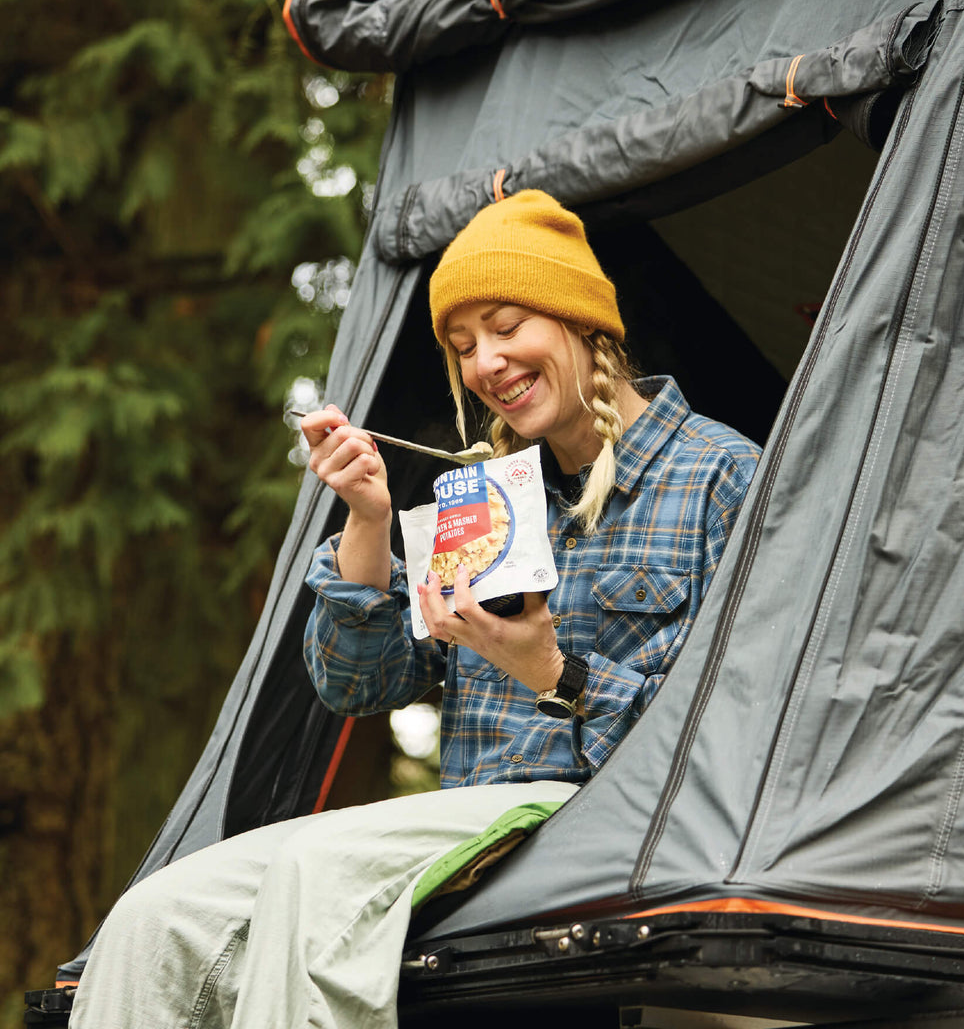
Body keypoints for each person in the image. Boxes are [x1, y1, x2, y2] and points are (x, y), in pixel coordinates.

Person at [68, 189, 761, 1029]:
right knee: (152, 916)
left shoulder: (726, 476)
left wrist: (552, 672)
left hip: (601, 819)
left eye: (507, 327)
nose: (485, 365)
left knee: (317, 865)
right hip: (466, 828)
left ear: (585, 325)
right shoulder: (487, 496)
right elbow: (359, 685)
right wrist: (366, 519)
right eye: (464, 347)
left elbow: (729, 744)